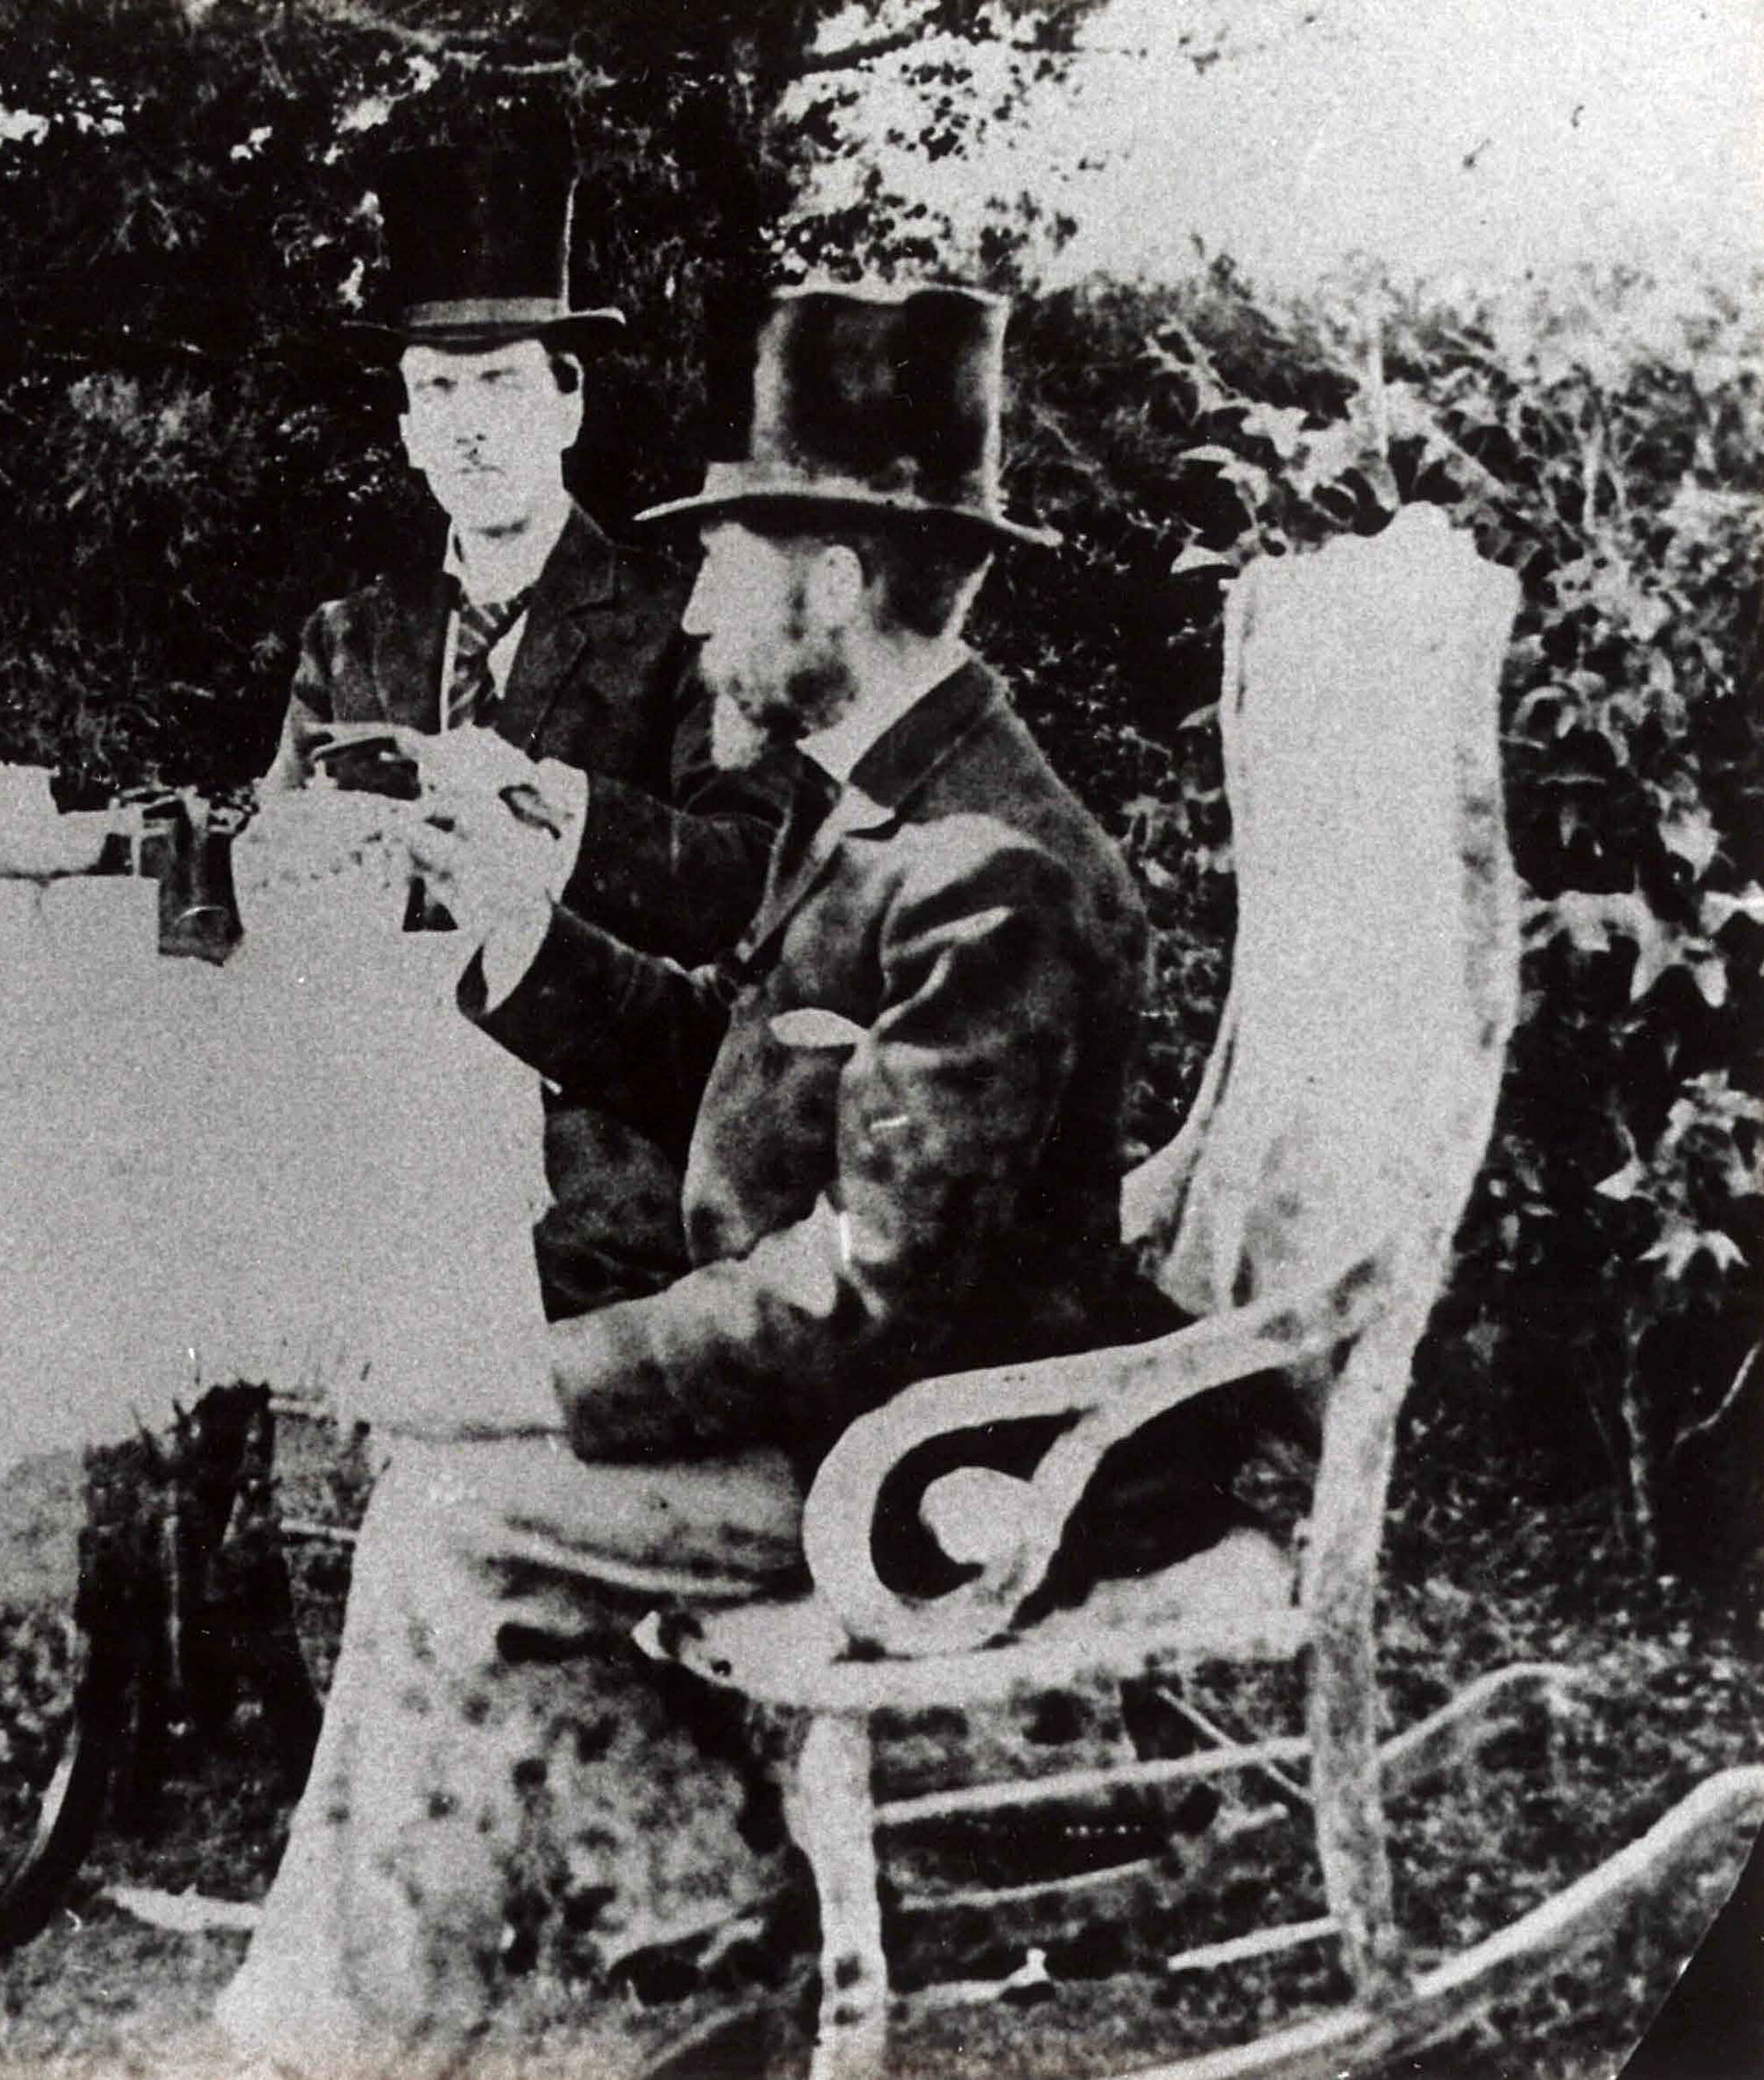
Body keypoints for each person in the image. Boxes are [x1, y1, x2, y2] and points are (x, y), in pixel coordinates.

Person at [220, 285, 1281, 2076]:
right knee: (459, 1499)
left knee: (450, 1504)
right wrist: (519, 944)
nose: (698, 606)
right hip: (852, 1405)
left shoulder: (987, 867)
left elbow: (855, 1290)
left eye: (728, 562)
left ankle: (344, 2036)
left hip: (931, 1452)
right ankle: (706, 1917)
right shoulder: (866, 797)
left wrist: (530, 1379)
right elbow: (740, 1076)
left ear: (838, 580)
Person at [261, 137, 778, 1323]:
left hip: (589, 1135)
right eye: (436, 395)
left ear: (567, 400)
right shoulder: (351, 638)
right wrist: (308, 861)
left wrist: (554, 819)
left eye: (498, 385)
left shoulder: (685, 621)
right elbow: (276, 873)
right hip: (365, 1109)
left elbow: (743, 879)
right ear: (403, 429)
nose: (470, 429)